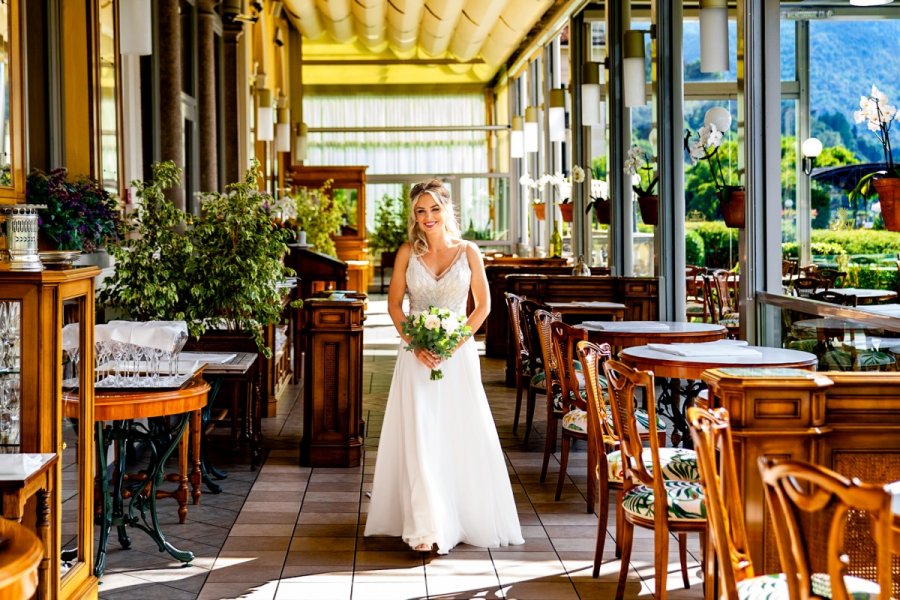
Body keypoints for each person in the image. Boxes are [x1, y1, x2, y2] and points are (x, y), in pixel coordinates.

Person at [364, 179, 524, 554]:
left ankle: (459, 515)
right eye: (421, 211)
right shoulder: (407, 252)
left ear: (447, 210)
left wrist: (453, 342)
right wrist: (417, 344)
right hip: (416, 356)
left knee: (457, 433)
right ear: (414, 216)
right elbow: (394, 307)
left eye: (434, 209)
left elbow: (482, 307)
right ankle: (425, 526)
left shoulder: (469, 252)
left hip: (457, 356)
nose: (428, 217)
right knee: (420, 435)